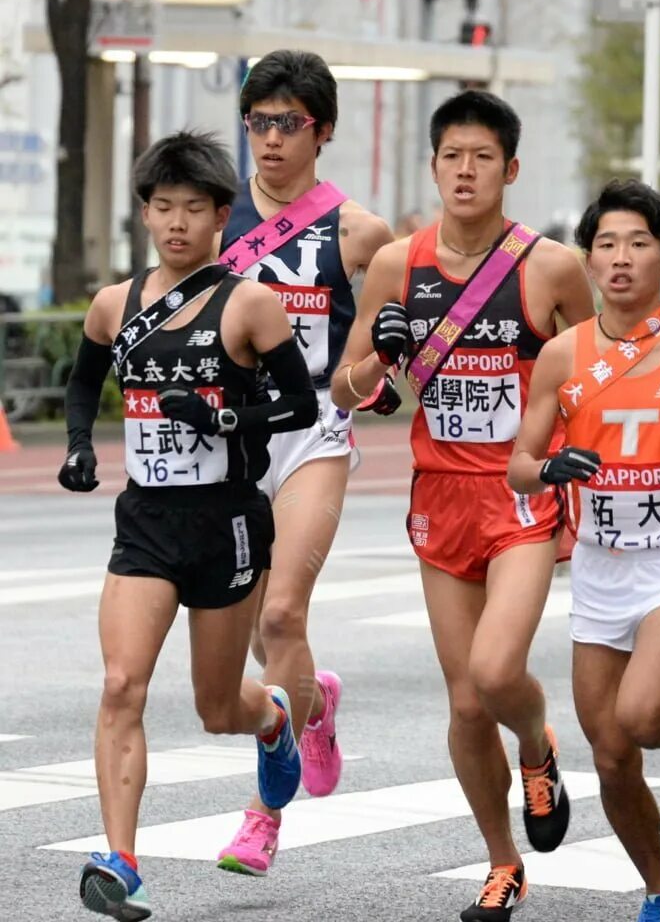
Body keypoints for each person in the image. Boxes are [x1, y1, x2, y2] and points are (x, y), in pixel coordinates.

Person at [331, 90, 595, 922]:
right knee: (463, 700)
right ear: (436, 166)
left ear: (510, 170)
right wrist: (383, 359)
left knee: (494, 671)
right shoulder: (394, 265)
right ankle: (501, 861)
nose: (467, 171)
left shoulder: (549, 266)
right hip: (438, 496)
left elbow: (596, 371)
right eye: (453, 157)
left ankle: (538, 741)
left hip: (521, 489)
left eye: (484, 157)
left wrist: (583, 482)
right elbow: (345, 386)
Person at [59, 131, 317, 920]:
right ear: (144, 213)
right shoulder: (116, 304)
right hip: (146, 521)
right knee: (120, 685)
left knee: (217, 708)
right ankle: (121, 860)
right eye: (163, 207)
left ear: (220, 216)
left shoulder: (250, 302)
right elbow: (82, 383)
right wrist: (77, 446)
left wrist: (218, 413)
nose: (176, 223)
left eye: (194, 209)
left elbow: (299, 407)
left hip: (228, 523)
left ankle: (272, 721)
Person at [509, 180, 660, 921]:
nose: (621, 258)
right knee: (608, 753)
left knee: (642, 716)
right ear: (589, 259)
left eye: (639, 245)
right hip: (601, 566)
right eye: (606, 244)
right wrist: (550, 469)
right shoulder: (563, 355)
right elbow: (520, 464)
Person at [214, 48, 396, 875]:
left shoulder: (361, 232)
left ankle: (263, 816)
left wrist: (381, 372)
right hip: (230, 433)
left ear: (320, 131)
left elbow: (373, 371)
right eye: (258, 122)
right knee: (254, 630)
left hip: (315, 425)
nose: (271, 139)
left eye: (288, 123)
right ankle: (312, 706)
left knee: (281, 615)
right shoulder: (216, 220)